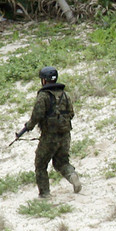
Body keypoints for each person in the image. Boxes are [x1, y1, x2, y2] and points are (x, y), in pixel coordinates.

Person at [16, 66, 81, 199]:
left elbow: (36, 116)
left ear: (44, 81)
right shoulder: (65, 95)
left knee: (40, 164)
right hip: (65, 135)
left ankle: (45, 194)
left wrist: (27, 127)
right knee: (62, 162)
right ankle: (73, 177)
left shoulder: (43, 96)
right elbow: (71, 114)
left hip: (49, 137)